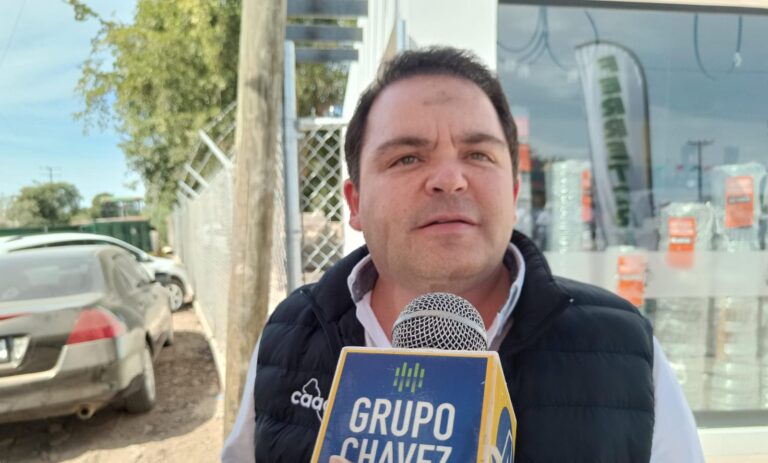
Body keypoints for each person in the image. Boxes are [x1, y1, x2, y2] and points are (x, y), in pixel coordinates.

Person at [221, 46, 704, 463]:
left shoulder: (624, 348)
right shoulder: (289, 335)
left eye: (478, 155)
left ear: (512, 192)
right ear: (355, 202)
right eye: (407, 157)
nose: (449, 179)